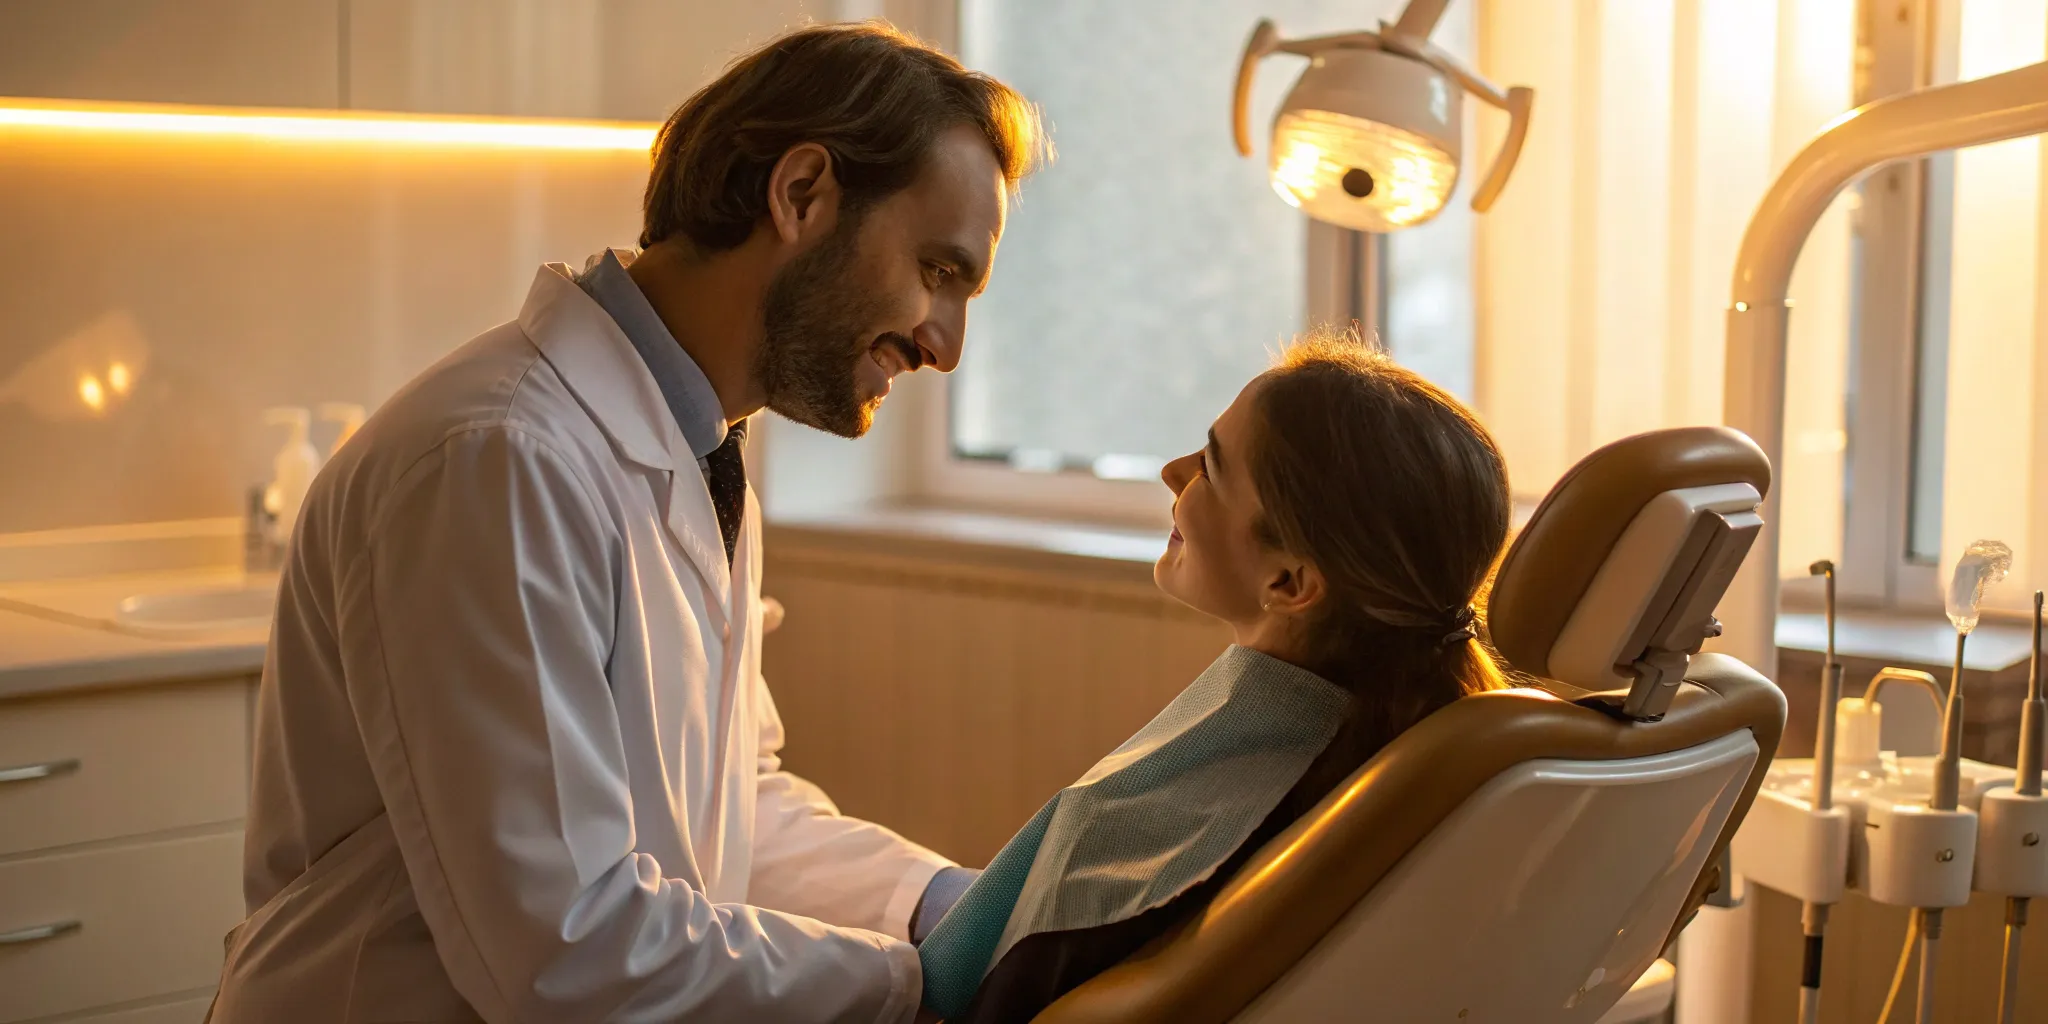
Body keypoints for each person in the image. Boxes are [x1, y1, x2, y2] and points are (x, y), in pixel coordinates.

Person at [209, 23, 1042, 1024]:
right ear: (801, 194)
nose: (944, 344)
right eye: (937, 272)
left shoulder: (696, 450)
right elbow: (569, 951)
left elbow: (728, 808)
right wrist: (915, 985)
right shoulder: (498, 459)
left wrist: (942, 909)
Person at [917, 332, 1513, 1023]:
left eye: (1212, 468)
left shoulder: (1134, 847)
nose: (1173, 472)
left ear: (1289, 582)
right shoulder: (1429, 766)